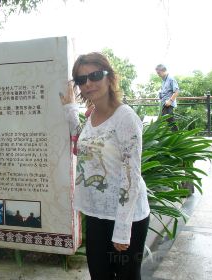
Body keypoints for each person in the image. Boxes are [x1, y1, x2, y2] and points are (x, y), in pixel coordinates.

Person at [60, 52, 151, 280]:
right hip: (97, 213)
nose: (88, 83)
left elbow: (131, 175)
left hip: (127, 216)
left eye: (95, 75)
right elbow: (83, 147)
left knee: (127, 276)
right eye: (81, 80)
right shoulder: (91, 116)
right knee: (100, 275)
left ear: (110, 77)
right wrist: (71, 110)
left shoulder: (125, 117)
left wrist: (122, 229)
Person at [156, 64, 179, 131]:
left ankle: (176, 136)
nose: (158, 74)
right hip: (164, 104)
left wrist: (170, 101)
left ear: (163, 71)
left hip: (169, 104)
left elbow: (177, 91)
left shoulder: (171, 79)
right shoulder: (164, 80)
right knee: (165, 120)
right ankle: (172, 135)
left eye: (158, 73)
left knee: (169, 120)